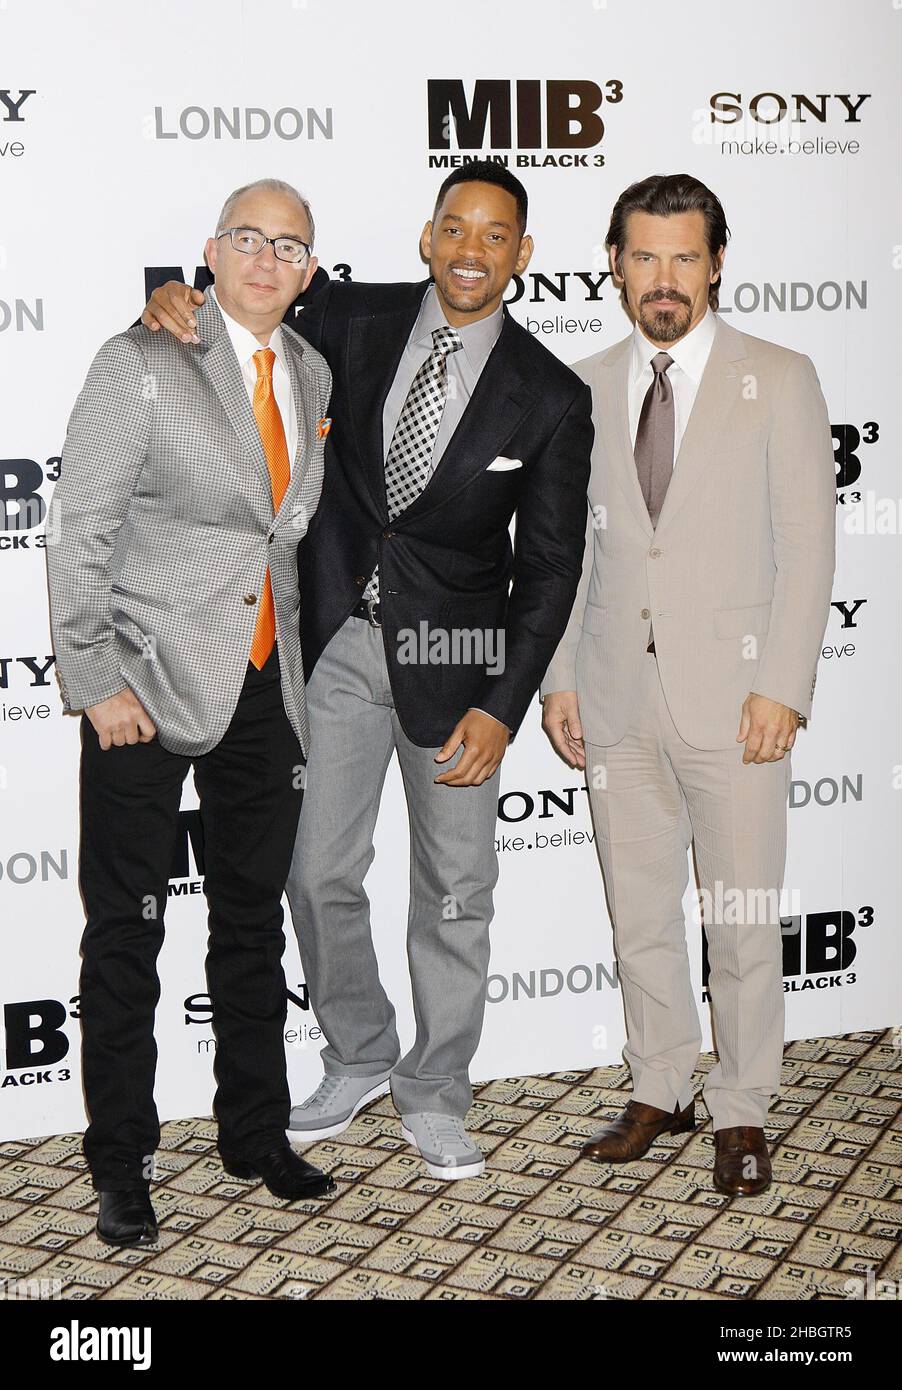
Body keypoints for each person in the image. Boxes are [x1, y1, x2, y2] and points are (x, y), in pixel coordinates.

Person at [143, 162, 593, 1180]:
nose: (470, 250)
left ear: (520, 255)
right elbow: (245, 299)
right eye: (453, 227)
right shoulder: (350, 316)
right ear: (426, 237)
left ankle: (434, 1088)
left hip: (460, 665)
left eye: (494, 235)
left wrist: (501, 706)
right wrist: (170, 297)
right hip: (340, 642)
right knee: (313, 869)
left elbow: (552, 564)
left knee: (454, 891)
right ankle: (357, 1051)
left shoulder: (552, 395)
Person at [47, 177, 336, 1247]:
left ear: (309, 270)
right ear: (211, 253)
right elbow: (80, 530)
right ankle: (119, 1158)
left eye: (290, 246)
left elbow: (279, 536)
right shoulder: (141, 360)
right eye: (249, 239)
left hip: (266, 687)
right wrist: (94, 678)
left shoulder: (310, 371)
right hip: (144, 684)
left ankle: (254, 1131)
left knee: (250, 923)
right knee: (127, 928)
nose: (267, 259)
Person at [541, 173, 836, 1196]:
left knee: (742, 916)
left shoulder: (779, 376)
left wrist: (784, 686)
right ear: (614, 265)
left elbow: (805, 547)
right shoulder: (574, 387)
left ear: (714, 260)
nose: (661, 278)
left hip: (738, 699)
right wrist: (559, 681)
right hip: (614, 700)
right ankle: (659, 1082)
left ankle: (743, 1104)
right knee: (639, 911)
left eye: (682, 256)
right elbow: (563, 558)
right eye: (641, 257)